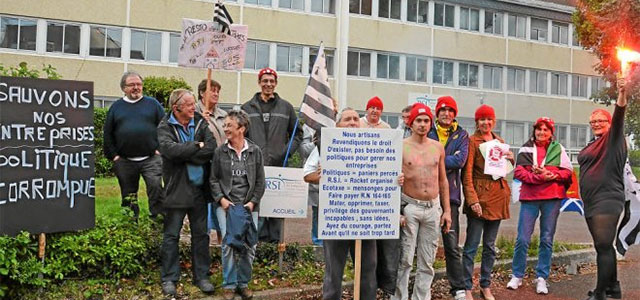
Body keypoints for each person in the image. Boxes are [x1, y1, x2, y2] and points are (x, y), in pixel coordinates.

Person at [313, 108, 379, 300]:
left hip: (366, 218)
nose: (352, 122)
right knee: (334, 272)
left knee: (368, 269)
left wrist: (395, 178)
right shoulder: (327, 146)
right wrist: (323, 174)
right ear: (338, 125)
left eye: (356, 119)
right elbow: (307, 175)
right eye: (347, 119)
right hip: (337, 218)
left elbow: (385, 173)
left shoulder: (374, 147)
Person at [157, 89, 216, 296]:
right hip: (176, 188)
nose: (194, 107)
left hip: (199, 189)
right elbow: (169, 151)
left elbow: (211, 148)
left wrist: (187, 152)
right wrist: (195, 146)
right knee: (171, 235)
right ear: (177, 108)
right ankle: (169, 278)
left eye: (193, 104)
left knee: (201, 235)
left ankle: (201, 276)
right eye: (190, 104)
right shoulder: (164, 126)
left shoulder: (200, 121)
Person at [392, 103, 452, 300]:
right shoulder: (401, 146)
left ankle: (421, 297)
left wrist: (447, 211)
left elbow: (443, 180)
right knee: (405, 259)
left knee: (427, 260)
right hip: (410, 206)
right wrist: (397, 212)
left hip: (432, 207)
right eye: (419, 120)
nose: (423, 124)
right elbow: (392, 180)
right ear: (411, 123)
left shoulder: (437, 147)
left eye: (426, 120)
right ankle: (399, 296)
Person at [507, 117, 572, 295]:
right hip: (530, 197)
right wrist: (538, 178)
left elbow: (567, 172)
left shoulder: (558, 149)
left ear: (551, 133)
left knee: (546, 239)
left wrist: (551, 174)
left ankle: (542, 277)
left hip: (552, 198)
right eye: (539, 129)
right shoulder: (526, 148)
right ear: (534, 130)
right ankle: (517, 274)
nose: (541, 132)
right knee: (522, 239)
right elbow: (519, 171)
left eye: (546, 129)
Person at [578, 77, 628, 300]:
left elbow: (619, 115)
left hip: (607, 199)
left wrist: (622, 92)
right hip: (591, 201)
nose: (596, 124)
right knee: (604, 247)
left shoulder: (613, 139)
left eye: (600, 120)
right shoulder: (592, 144)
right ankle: (613, 288)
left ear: (609, 124)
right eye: (592, 121)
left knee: (603, 245)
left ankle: (600, 293)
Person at [241, 67, 302, 243]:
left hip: (279, 166)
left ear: (276, 83)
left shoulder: (286, 107)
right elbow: (240, 135)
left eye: (272, 81)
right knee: (257, 206)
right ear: (259, 82)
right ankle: (257, 246)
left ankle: (275, 247)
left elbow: (297, 133)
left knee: (276, 208)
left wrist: (287, 153)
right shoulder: (247, 108)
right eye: (265, 80)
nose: (268, 84)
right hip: (255, 166)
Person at [210, 109, 265, 300]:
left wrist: (252, 203)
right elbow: (213, 179)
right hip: (227, 206)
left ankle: (243, 283)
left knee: (250, 246)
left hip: (249, 206)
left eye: (229, 126)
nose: (225, 129)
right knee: (228, 244)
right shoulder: (220, 151)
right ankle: (229, 285)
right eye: (224, 125)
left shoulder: (255, 151)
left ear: (241, 128)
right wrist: (222, 200)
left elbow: (260, 182)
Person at [461, 104, 513, 300]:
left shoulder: (499, 141)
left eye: (489, 119)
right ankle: (466, 287)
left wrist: (511, 159)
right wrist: (472, 200)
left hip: (497, 198)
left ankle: (485, 285)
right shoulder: (472, 142)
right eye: (482, 119)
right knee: (471, 246)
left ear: (494, 121)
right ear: (477, 122)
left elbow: (504, 169)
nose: (486, 122)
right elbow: (466, 176)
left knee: (490, 246)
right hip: (480, 199)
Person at [103, 71, 165, 219]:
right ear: (124, 88)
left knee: (156, 188)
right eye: (131, 85)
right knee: (128, 195)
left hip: (151, 159)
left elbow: (165, 127)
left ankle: (157, 220)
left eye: (138, 84)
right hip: (124, 161)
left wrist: (160, 150)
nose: (136, 87)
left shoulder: (153, 105)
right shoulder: (116, 107)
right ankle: (131, 223)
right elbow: (107, 133)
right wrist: (114, 156)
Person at [427, 96, 469, 300]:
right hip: (426, 194)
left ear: (455, 114)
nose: (447, 114)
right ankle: (422, 285)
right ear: (437, 113)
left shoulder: (461, 134)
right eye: (443, 110)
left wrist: (434, 158)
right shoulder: (428, 129)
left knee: (451, 246)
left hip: (450, 198)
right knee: (423, 244)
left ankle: (458, 288)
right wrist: (444, 159)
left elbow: (460, 161)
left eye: (451, 111)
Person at [196, 78, 228, 244]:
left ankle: (222, 244)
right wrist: (200, 119)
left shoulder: (223, 115)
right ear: (202, 93)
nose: (215, 94)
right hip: (200, 166)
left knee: (219, 203)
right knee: (202, 207)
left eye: (217, 91)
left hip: (220, 167)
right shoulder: (193, 112)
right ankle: (203, 242)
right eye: (212, 90)